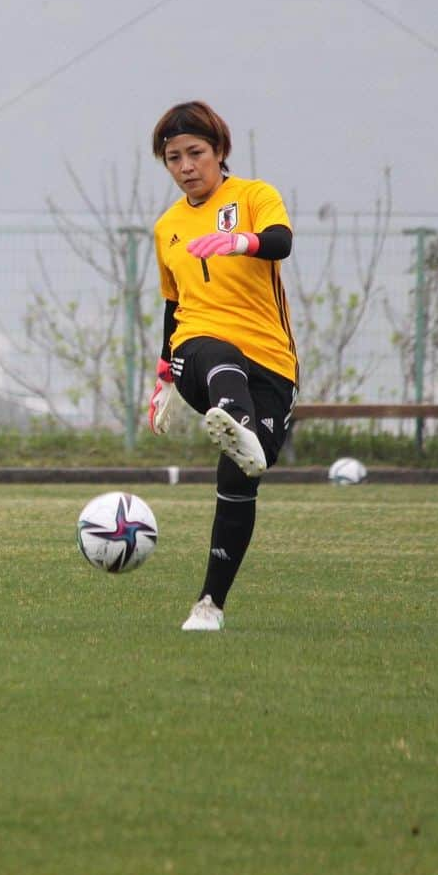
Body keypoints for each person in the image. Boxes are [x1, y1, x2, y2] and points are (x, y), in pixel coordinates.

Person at [147, 100, 298, 631]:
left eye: (195, 153)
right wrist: (165, 376)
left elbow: (281, 241)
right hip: (199, 354)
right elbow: (173, 307)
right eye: (173, 158)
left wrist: (241, 241)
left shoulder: (254, 195)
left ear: (219, 152)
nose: (186, 166)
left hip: (271, 361)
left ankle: (209, 606)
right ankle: (234, 415)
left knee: (241, 481)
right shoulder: (167, 226)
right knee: (212, 349)